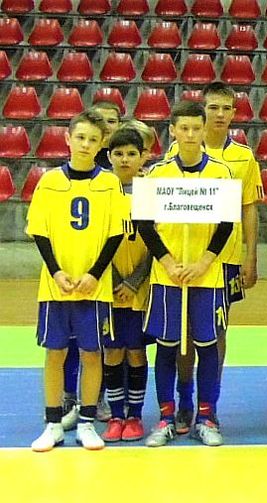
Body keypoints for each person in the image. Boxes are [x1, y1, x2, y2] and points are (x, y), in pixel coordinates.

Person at [137, 101, 238, 447]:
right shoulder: (157, 174)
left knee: (207, 346)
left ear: (204, 129)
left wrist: (204, 262)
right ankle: (168, 415)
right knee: (167, 347)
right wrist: (167, 262)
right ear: (173, 131)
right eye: (184, 128)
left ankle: (206, 416)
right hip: (168, 276)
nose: (191, 135)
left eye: (197, 128)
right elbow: (144, 225)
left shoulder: (221, 173)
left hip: (207, 276)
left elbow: (226, 223)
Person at [164, 83, 264, 436]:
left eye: (226, 108)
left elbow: (249, 208)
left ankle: (210, 405)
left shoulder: (243, 157)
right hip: (185, 259)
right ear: (202, 111)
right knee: (184, 332)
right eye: (213, 107)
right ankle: (184, 400)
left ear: (234, 113)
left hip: (226, 259)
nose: (219, 114)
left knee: (216, 331)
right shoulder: (177, 151)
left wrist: (251, 255)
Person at [28, 111, 124, 452]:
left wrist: (94, 274)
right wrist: (56, 271)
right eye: (80, 137)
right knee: (55, 353)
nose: (85, 144)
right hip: (56, 285)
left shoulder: (109, 183)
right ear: (68, 139)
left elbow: (115, 234)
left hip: (93, 287)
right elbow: (39, 231)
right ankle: (53, 423)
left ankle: (86, 422)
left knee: (91, 353)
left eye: (93, 139)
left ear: (102, 144)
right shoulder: (49, 181)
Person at [100, 128, 152, 443]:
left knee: (135, 350)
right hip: (108, 285)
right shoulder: (101, 191)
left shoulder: (150, 192)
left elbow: (156, 243)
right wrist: (116, 279)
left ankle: (135, 415)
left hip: (139, 287)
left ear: (143, 157)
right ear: (109, 157)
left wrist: (133, 281)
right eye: (118, 154)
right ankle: (116, 414)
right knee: (112, 350)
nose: (124, 159)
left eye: (132, 154)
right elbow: (96, 242)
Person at [91, 101, 123, 169]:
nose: (105, 126)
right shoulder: (83, 151)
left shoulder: (127, 152)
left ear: (119, 125)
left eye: (111, 121)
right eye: (100, 120)